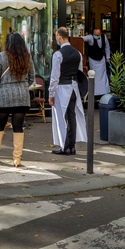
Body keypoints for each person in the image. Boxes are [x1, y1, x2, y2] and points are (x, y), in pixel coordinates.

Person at [0, 33, 35, 166]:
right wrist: (23, 86)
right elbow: (32, 77)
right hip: (22, 96)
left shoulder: (1, 57)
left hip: (4, 95)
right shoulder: (27, 57)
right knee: (18, 127)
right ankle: (17, 158)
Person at [49, 27, 86, 155]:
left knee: (61, 118)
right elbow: (80, 73)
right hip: (74, 87)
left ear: (59, 36)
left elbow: (55, 77)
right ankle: (72, 146)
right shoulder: (78, 53)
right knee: (71, 116)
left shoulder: (58, 54)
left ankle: (65, 146)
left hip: (62, 88)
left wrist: (51, 94)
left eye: (56, 36)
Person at [80, 28, 111, 96]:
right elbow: (81, 38)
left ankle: (104, 92)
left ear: (100, 34)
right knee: (94, 76)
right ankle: (95, 92)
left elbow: (107, 47)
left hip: (101, 60)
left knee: (103, 77)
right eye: (94, 34)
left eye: (97, 35)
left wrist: (108, 57)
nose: (95, 36)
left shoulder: (104, 37)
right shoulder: (90, 37)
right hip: (93, 60)